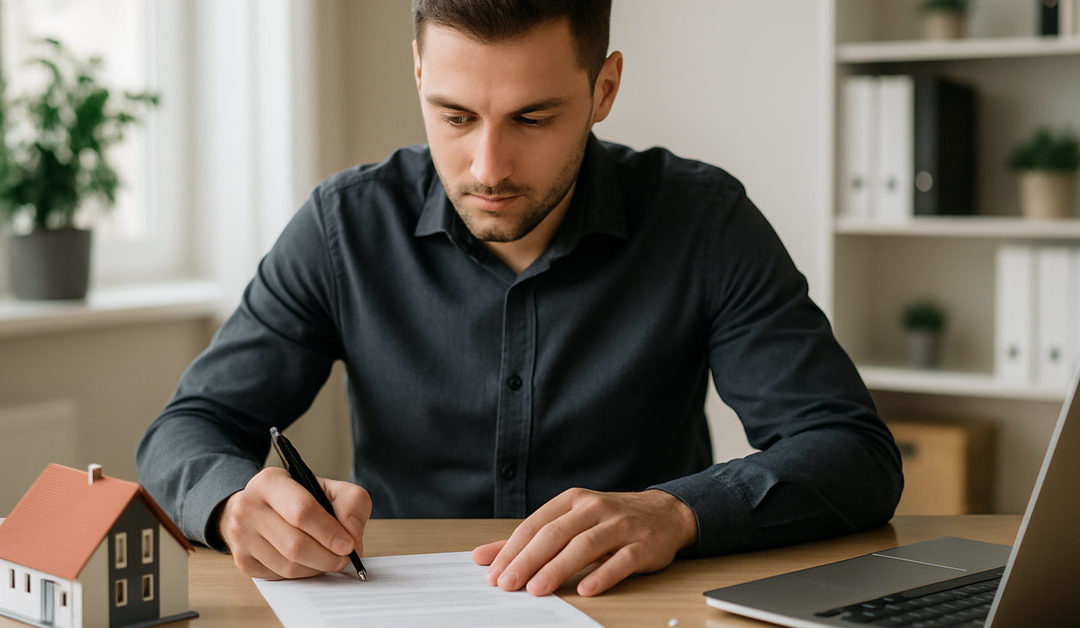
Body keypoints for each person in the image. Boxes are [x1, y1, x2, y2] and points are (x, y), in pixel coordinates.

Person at [137, 0, 902, 598]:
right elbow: (190, 427)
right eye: (455, 116)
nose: (487, 166)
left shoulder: (702, 222)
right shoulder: (345, 228)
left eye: (533, 118)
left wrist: (677, 513)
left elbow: (854, 454)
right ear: (417, 76)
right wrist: (234, 500)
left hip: (629, 605)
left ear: (604, 88)